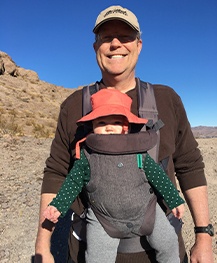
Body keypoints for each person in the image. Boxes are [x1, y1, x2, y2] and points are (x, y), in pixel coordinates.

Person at [35, 5, 214, 263]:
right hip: (89, 250)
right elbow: (56, 173)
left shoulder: (167, 99)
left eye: (125, 37)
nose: (115, 44)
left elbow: (190, 166)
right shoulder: (73, 106)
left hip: (161, 248)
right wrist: (43, 244)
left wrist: (203, 236)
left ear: (139, 45)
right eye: (106, 37)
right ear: (95, 47)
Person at [43, 89, 185, 263]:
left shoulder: (139, 152)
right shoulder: (88, 156)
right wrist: (58, 206)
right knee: (97, 257)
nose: (109, 127)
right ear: (92, 125)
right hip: (103, 218)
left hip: (147, 212)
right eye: (102, 122)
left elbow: (159, 177)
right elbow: (72, 182)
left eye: (116, 122)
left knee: (168, 242)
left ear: (126, 127)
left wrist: (174, 200)